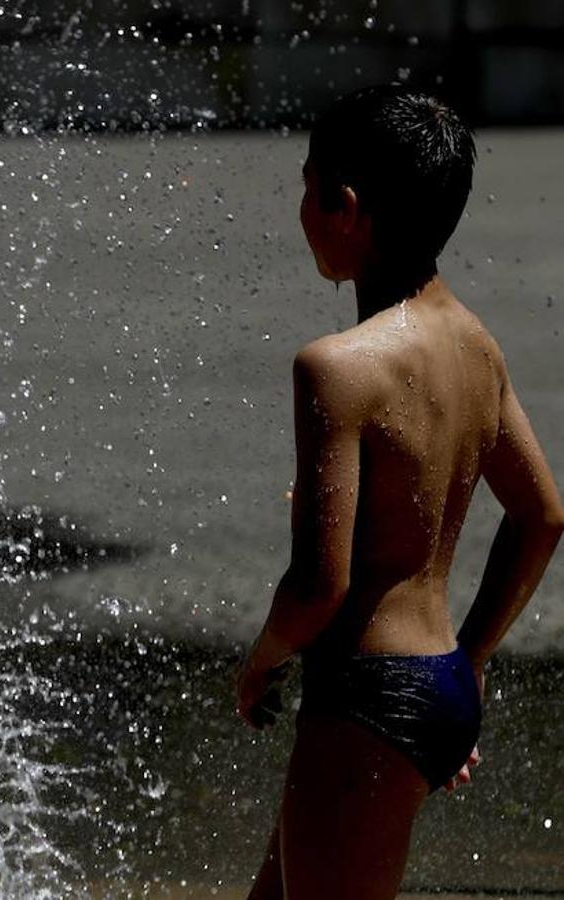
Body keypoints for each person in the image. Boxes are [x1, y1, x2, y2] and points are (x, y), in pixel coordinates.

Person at [236, 84, 564, 899]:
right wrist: (469, 662)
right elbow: (542, 517)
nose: (301, 210)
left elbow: (320, 586)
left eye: (306, 189)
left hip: (366, 697)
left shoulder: (338, 367)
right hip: (436, 678)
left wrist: (261, 663)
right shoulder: (474, 345)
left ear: (343, 207)